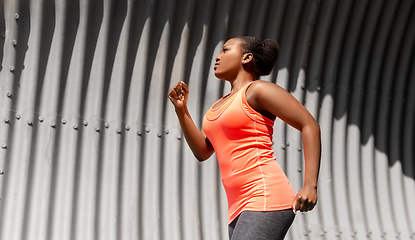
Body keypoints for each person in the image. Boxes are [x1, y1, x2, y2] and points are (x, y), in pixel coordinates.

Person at [168, 36, 321, 240]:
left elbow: (309, 124)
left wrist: (310, 185)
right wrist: (181, 110)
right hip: (237, 206)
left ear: (246, 58)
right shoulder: (218, 106)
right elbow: (203, 151)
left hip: (265, 194)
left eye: (225, 50)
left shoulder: (257, 91)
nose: (217, 57)